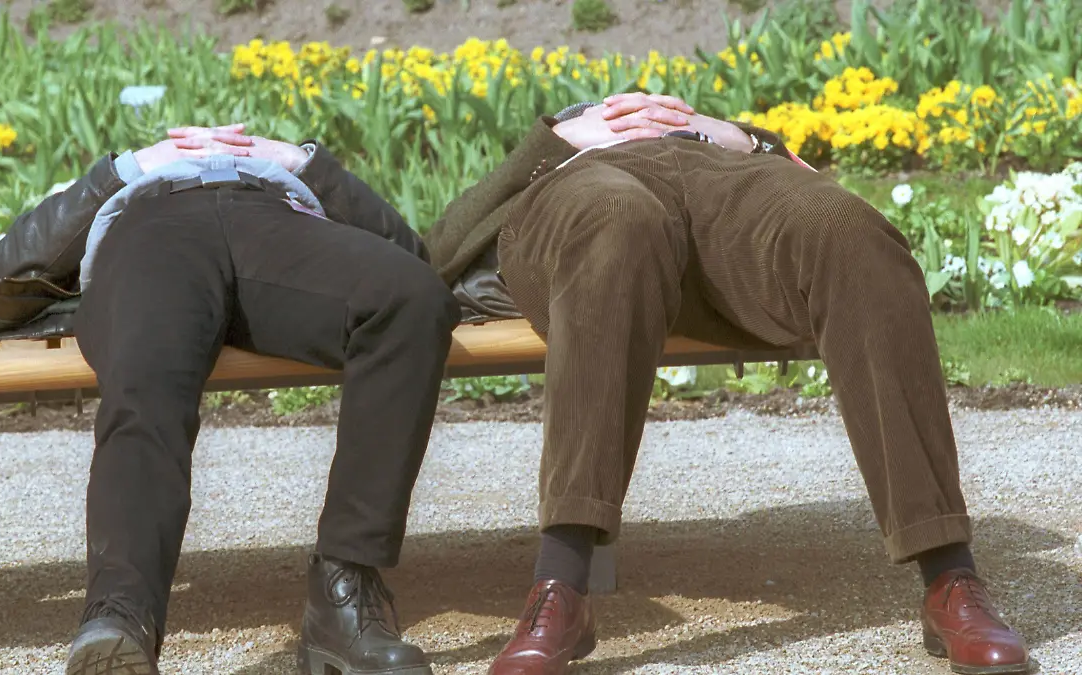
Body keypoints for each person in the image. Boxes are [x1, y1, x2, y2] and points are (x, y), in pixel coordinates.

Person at [423, 93, 1032, 675]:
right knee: (619, 221)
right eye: (618, 105)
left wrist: (742, 137)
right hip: (591, 198)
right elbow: (441, 247)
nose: (639, 109)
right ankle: (560, 586)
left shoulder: (725, 142)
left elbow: (801, 175)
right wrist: (557, 138)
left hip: (725, 197)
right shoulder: (563, 153)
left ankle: (949, 574)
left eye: (654, 105)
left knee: (846, 229)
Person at [0, 124, 461, 675]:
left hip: (276, 224)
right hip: (150, 230)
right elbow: (8, 263)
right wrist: (132, 167)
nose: (212, 141)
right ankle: (121, 614)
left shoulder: (282, 175)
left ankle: (345, 593)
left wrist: (304, 163)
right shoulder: (135, 178)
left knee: (411, 299)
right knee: (147, 369)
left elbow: (410, 253)